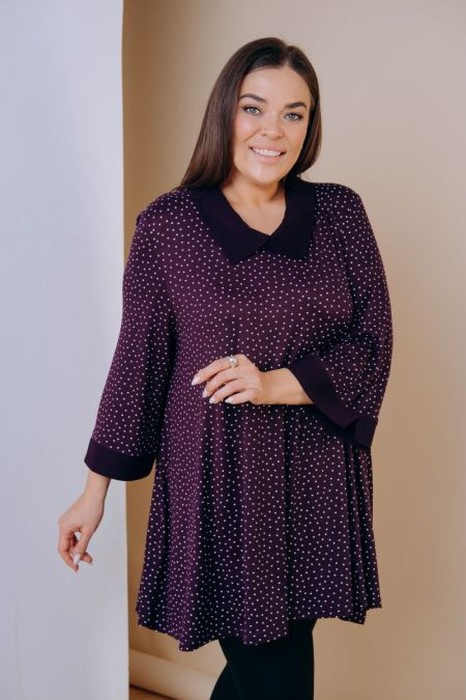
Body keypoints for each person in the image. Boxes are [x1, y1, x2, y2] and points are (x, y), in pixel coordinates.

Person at [58, 36, 393, 700]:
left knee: (265, 671)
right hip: (220, 480)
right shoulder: (169, 225)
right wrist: (93, 492)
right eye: (254, 108)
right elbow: (138, 362)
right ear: (224, 113)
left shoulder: (340, 214)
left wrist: (274, 384)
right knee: (274, 678)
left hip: (317, 477)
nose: (274, 130)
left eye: (294, 114)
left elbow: (373, 342)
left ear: (310, 125)